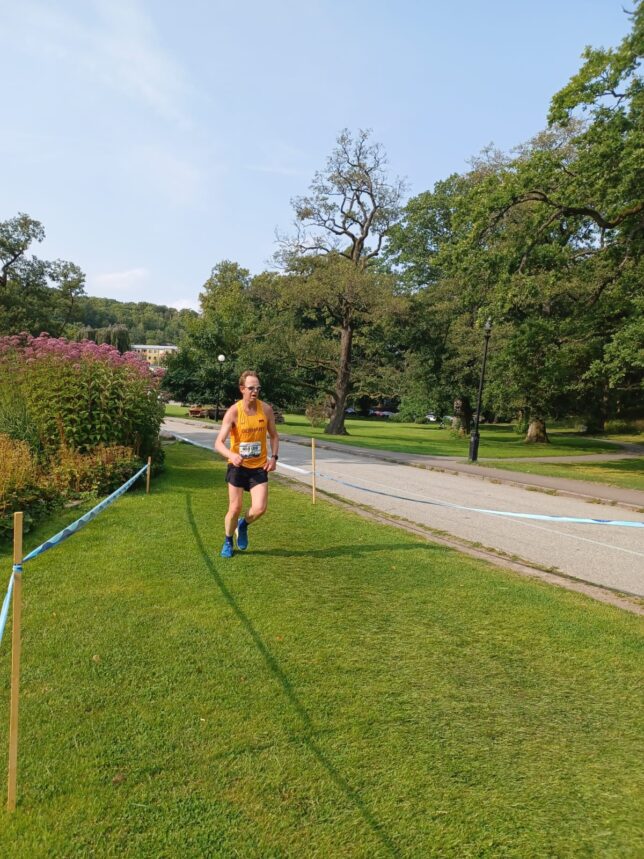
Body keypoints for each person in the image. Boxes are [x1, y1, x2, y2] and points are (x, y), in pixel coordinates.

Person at [214, 370, 279, 558]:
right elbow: (218, 442)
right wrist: (231, 455)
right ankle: (228, 540)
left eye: (258, 388)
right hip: (237, 467)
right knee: (234, 508)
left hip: (258, 467)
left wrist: (274, 457)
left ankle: (243, 525)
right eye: (251, 388)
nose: (255, 391)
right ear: (242, 389)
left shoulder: (265, 410)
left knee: (260, 508)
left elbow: (274, 436)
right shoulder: (233, 411)